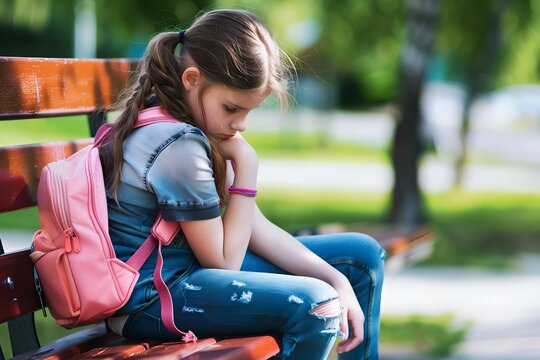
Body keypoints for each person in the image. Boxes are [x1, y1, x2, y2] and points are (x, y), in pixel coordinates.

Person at [101, 9, 386, 360]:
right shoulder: (177, 145)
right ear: (191, 79)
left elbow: (256, 228)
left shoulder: (192, 127)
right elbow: (223, 263)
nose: (242, 125)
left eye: (250, 111)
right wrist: (247, 168)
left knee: (361, 258)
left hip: (189, 279)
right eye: (232, 108)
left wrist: (337, 279)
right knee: (315, 304)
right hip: (152, 301)